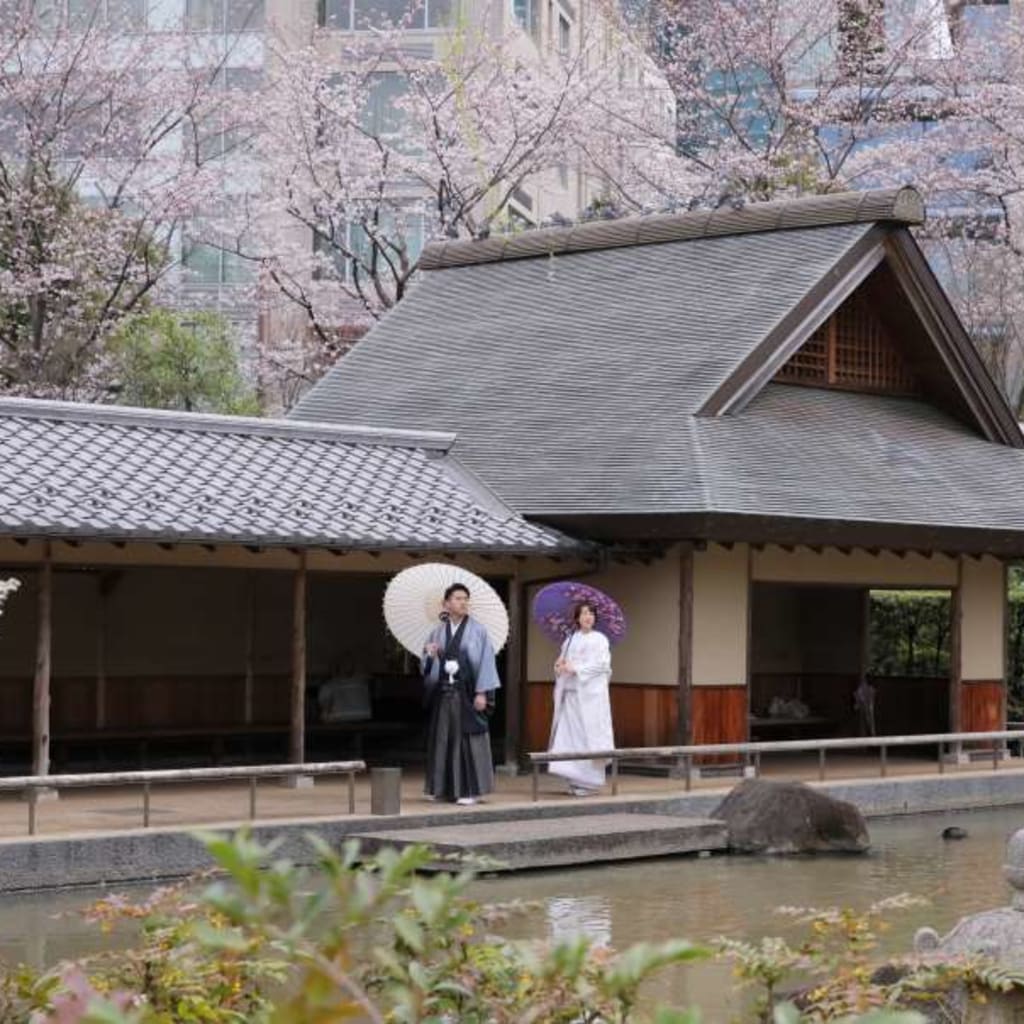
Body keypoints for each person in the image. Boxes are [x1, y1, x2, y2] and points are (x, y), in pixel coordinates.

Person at [421, 582, 501, 805]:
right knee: (442, 739)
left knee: (468, 739)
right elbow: (426, 666)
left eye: (465, 598)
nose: (463, 602)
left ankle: (470, 790)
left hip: (467, 693)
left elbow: (486, 662)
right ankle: (442, 788)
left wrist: (482, 692)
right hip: (445, 694)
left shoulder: (478, 630)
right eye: (457, 598)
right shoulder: (437, 632)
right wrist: (430, 655)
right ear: (446, 603)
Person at [548, 600, 614, 796]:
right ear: (577, 618)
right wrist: (559, 666)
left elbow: (603, 667)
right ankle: (575, 779)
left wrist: (576, 668)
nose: (588, 617)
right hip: (571, 696)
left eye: (591, 613)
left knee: (588, 737)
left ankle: (590, 782)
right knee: (570, 737)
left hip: (591, 699)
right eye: (584, 613)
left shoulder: (600, 639)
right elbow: (562, 663)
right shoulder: (569, 640)